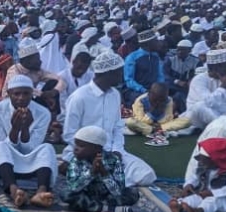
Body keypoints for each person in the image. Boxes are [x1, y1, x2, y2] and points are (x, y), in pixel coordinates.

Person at [62, 51, 156, 187]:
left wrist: (116, 150)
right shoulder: (79, 97)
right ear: (107, 73)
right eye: (119, 72)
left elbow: (117, 127)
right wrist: (91, 152)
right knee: (93, 169)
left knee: (147, 175)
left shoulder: (115, 95)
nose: (121, 76)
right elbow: (69, 134)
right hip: (83, 153)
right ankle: (106, 180)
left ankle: (104, 180)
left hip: (112, 153)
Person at [0, 75, 57, 208]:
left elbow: (32, 147)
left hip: (29, 158)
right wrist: (15, 130)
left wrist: (25, 130)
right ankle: (14, 191)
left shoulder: (43, 113)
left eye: (26, 93)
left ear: (32, 94)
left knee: (47, 148)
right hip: (3, 159)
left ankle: (40, 193)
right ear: (8, 94)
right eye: (16, 94)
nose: (21, 98)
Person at [63, 126, 140, 212]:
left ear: (97, 148)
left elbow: (118, 191)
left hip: (108, 195)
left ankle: (97, 207)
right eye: (76, 145)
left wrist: (104, 173)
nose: (75, 149)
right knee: (66, 194)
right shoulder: (75, 161)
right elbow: (73, 187)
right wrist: (91, 173)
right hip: (87, 195)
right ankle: (109, 209)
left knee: (133, 193)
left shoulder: (113, 160)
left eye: (81, 146)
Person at [172, 137, 226, 212]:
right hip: (204, 194)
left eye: (204, 160)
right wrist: (189, 184)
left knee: (212, 201)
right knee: (195, 198)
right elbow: (195, 176)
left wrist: (212, 193)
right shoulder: (204, 166)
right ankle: (180, 206)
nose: (201, 162)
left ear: (215, 160)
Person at [181, 49, 226, 130]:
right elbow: (209, 103)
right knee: (200, 106)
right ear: (215, 68)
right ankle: (224, 127)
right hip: (197, 116)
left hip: (222, 113)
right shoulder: (199, 79)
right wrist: (224, 85)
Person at [126, 82, 191, 143]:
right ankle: (153, 130)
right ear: (150, 94)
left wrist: (160, 124)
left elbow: (168, 119)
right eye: (155, 100)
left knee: (187, 121)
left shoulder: (168, 100)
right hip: (145, 125)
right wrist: (152, 112)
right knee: (130, 122)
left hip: (161, 126)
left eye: (161, 100)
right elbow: (140, 120)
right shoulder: (140, 100)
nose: (158, 102)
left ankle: (154, 131)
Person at [122, 30, 164, 105]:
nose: (158, 43)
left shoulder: (156, 56)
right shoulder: (132, 58)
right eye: (155, 41)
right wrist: (143, 90)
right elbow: (129, 80)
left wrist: (158, 88)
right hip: (135, 91)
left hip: (153, 90)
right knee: (147, 102)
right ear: (148, 44)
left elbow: (160, 76)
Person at [163, 39, 198, 109]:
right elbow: (164, 75)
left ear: (189, 50)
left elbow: (198, 75)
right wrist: (177, 81)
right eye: (178, 50)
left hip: (187, 88)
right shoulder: (170, 60)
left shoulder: (196, 61)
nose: (179, 52)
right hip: (171, 86)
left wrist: (191, 81)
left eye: (182, 50)